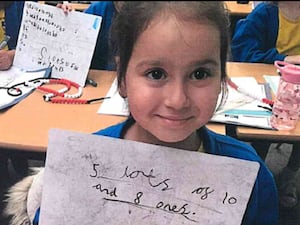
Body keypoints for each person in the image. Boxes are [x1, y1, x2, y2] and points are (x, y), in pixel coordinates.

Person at [3, 2, 279, 225]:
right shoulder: (81, 165)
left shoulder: (250, 176)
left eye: (200, 73)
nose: (177, 100)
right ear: (122, 81)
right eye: (156, 74)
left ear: (222, 79)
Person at [231, 1, 300, 208]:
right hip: (269, 81)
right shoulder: (265, 13)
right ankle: (256, 171)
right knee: (265, 127)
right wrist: (285, 59)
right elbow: (245, 53)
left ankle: (290, 174)